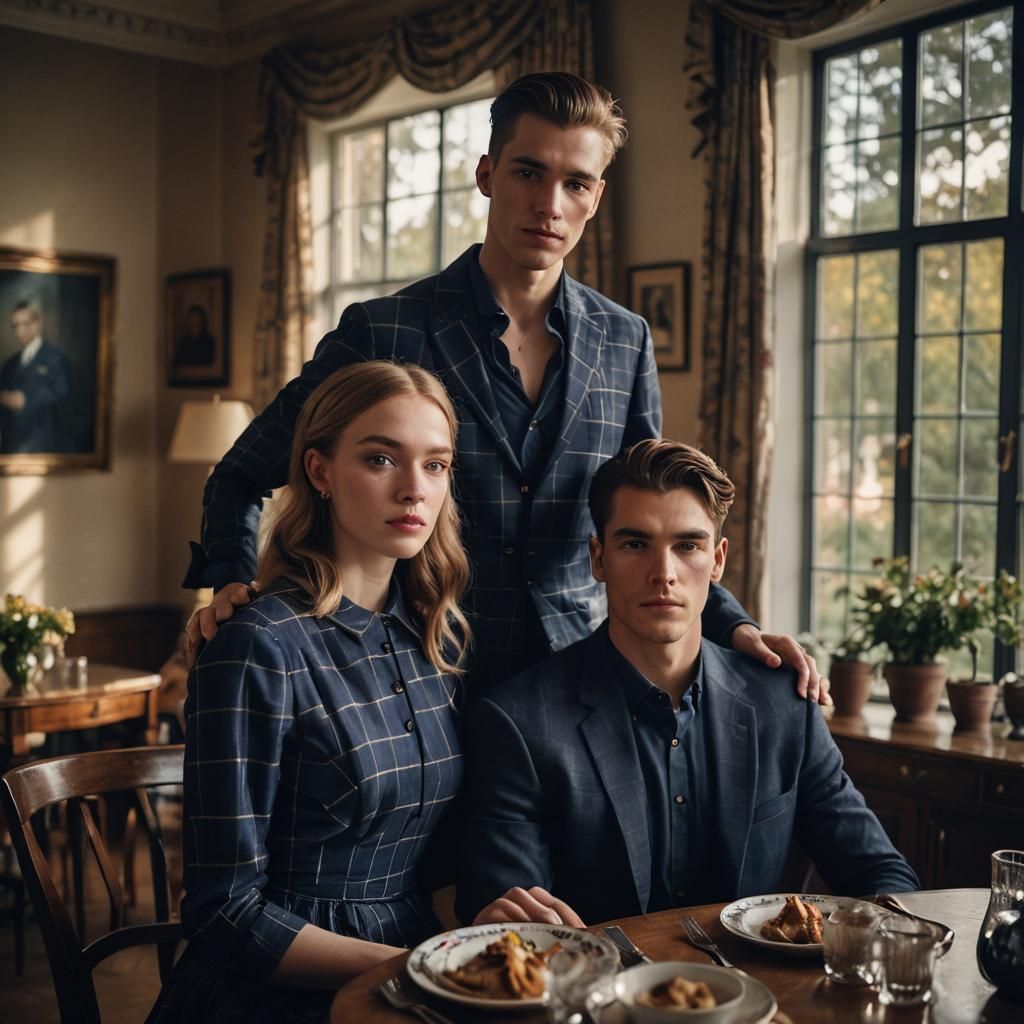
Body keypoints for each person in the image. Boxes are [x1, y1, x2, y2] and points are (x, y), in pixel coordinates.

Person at [183, 71, 825, 701]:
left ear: (596, 197)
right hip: (414, 681)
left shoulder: (624, 340)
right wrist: (233, 582)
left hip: (575, 688)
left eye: (574, 183)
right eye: (528, 172)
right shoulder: (385, 330)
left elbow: (653, 520)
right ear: (488, 175)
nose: (549, 204)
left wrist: (734, 625)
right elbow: (238, 476)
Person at [456, 440, 918, 929]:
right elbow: (510, 926)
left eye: (688, 545)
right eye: (635, 544)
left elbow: (881, 873)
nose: (664, 574)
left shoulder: (784, 704)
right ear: (598, 558)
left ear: (717, 561)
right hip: (597, 994)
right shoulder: (519, 724)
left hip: (767, 999)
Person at [147, 361, 471, 1022]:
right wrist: (409, 967)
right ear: (319, 471)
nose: (415, 489)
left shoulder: (434, 635)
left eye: (435, 465)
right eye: (382, 459)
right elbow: (222, 911)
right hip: (274, 989)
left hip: (413, 970)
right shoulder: (258, 645)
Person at [0, 299, 71, 454]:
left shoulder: (55, 358)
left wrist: (25, 400)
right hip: (10, 448)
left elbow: (62, 398)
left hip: (41, 447)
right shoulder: (9, 364)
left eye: (25, 324)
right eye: (15, 326)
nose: (19, 331)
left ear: (37, 324)